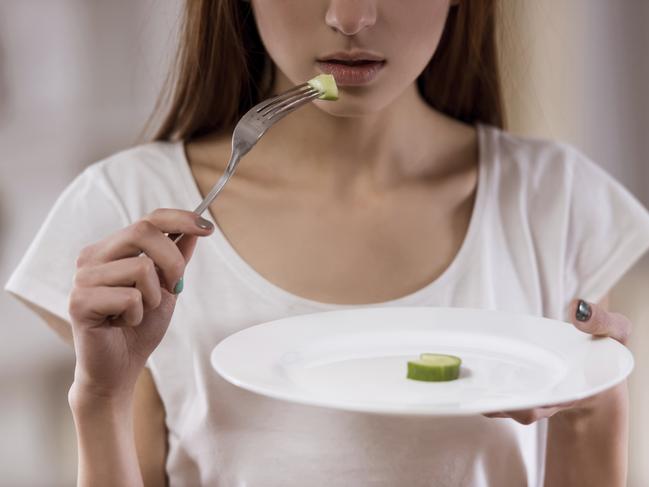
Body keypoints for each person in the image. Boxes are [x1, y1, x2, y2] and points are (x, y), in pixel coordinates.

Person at [5, 0, 649, 485]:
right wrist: (101, 398)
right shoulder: (129, 208)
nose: (350, 16)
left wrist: (596, 408)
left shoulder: (557, 202)